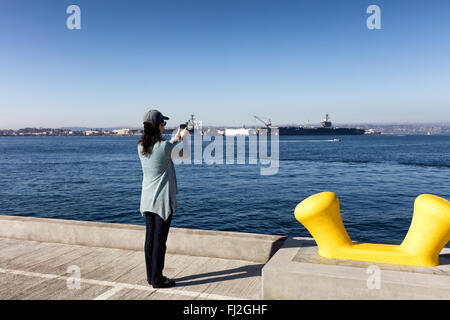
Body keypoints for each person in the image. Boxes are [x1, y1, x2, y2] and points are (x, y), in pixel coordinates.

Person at [137, 109, 188, 288]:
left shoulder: (141, 146)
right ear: (157, 126)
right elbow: (183, 155)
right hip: (162, 201)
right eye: (163, 124)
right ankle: (158, 279)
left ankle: (151, 276)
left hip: (147, 199)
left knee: (150, 240)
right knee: (160, 242)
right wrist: (185, 138)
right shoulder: (164, 147)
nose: (164, 126)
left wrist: (175, 139)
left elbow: (165, 149)